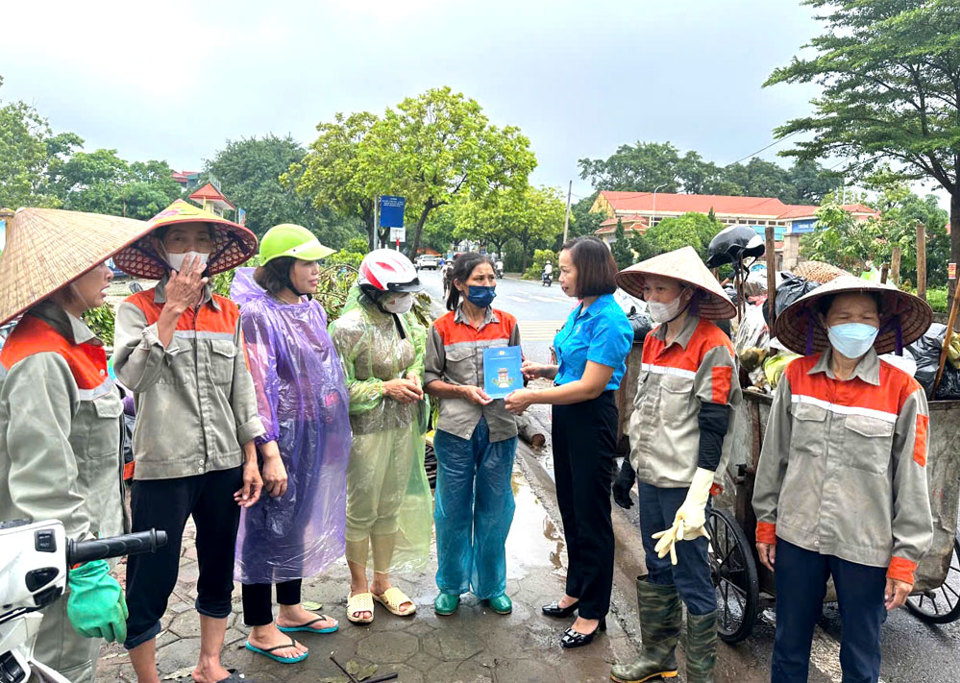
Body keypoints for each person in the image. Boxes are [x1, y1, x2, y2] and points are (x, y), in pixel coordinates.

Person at [112, 199, 270, 683]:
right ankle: (148, 677)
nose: (192, 250)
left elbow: (241, 389)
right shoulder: (134, 309)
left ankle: (210, 665)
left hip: (224, 461)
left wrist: (252, 457)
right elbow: (132, 378)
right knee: (151, 576)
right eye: (180, 240)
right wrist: (172, 311)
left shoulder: (230, 312)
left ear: (214, 249)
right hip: (163, 464)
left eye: (202, 240)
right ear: (161, 249)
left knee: (218, 562)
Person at [0, 208, 155, 682]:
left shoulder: (67, 344)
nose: (109, 271)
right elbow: (44, 477)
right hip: (56, 565)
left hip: (71, 554)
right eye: (99, 263)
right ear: (65, 277)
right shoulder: (41, 357)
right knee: (59, 667)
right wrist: (84, 568)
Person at [752, 276, 933, 683]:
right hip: (798, 535)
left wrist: (905, 559)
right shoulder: (796, 377)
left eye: (866, 317)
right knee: (788, 646)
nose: (856, 325)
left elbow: (913, 479)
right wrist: (766, 521)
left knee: (861, 655)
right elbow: (774, 457)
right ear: (825, 322)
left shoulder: (904, 390)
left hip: (865, 544)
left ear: (881, 324)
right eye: (845, 317)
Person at [610, 246, 742, 683]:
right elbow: (642, 408)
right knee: (657, 566)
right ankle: (659, 657)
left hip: (686, 485)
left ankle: (700, 675)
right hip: (650, 476)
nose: (651, 295)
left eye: (660, 287)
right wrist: (628, 465)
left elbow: (715, 424)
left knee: (691, 575)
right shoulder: (652, 338)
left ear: (686, 293)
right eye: (648, 287)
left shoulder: (713, 345)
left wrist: (700, 493)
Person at [230, 224, 352, 664]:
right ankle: (261, 627)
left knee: (296, 521)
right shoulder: (258, 315)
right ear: (283, 267)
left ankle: (291, 607)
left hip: (312, 433)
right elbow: (257, 386)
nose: (317, 270)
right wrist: (268, 451)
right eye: (308, 262)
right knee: (265, 530)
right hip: (279, 439)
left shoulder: (309, 308)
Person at [504, 236, 632, 648]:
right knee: (571, 509)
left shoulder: (611, 320)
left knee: (593, 516)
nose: (560, 277)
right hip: (567, 416)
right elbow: (571, 366)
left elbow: (591, 386)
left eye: (566, 270)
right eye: (560, 270)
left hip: (591, 419)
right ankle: (576, 589)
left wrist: (531, 396)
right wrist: (542, 369)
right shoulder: (581, 311)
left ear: (589, 270)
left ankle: (594, 611)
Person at [328, 249, 432, 624]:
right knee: (361, 509)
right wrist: (383, 388)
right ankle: (357, 586)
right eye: (397, 292)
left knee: (389, 505)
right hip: (364, 434)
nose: (404, 298)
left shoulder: (406, 323)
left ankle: (382, 582)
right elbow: (335, 389)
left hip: (403, 429)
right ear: (373, 291)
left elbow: (416, 358)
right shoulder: (348, 328)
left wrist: (414, 378)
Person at [423, 252, 520, 616]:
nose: (487, 286)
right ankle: (450, 586)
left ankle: (492, 586)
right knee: (452, 511)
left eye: (491, 279)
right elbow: (430, 379)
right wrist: (462, 391)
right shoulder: (442, 327)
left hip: (499, 429)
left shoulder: (508, 324)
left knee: (496, 510)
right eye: (479, 280)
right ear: (460, 284)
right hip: (455, 431)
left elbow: (515, 372)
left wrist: (520, 387)